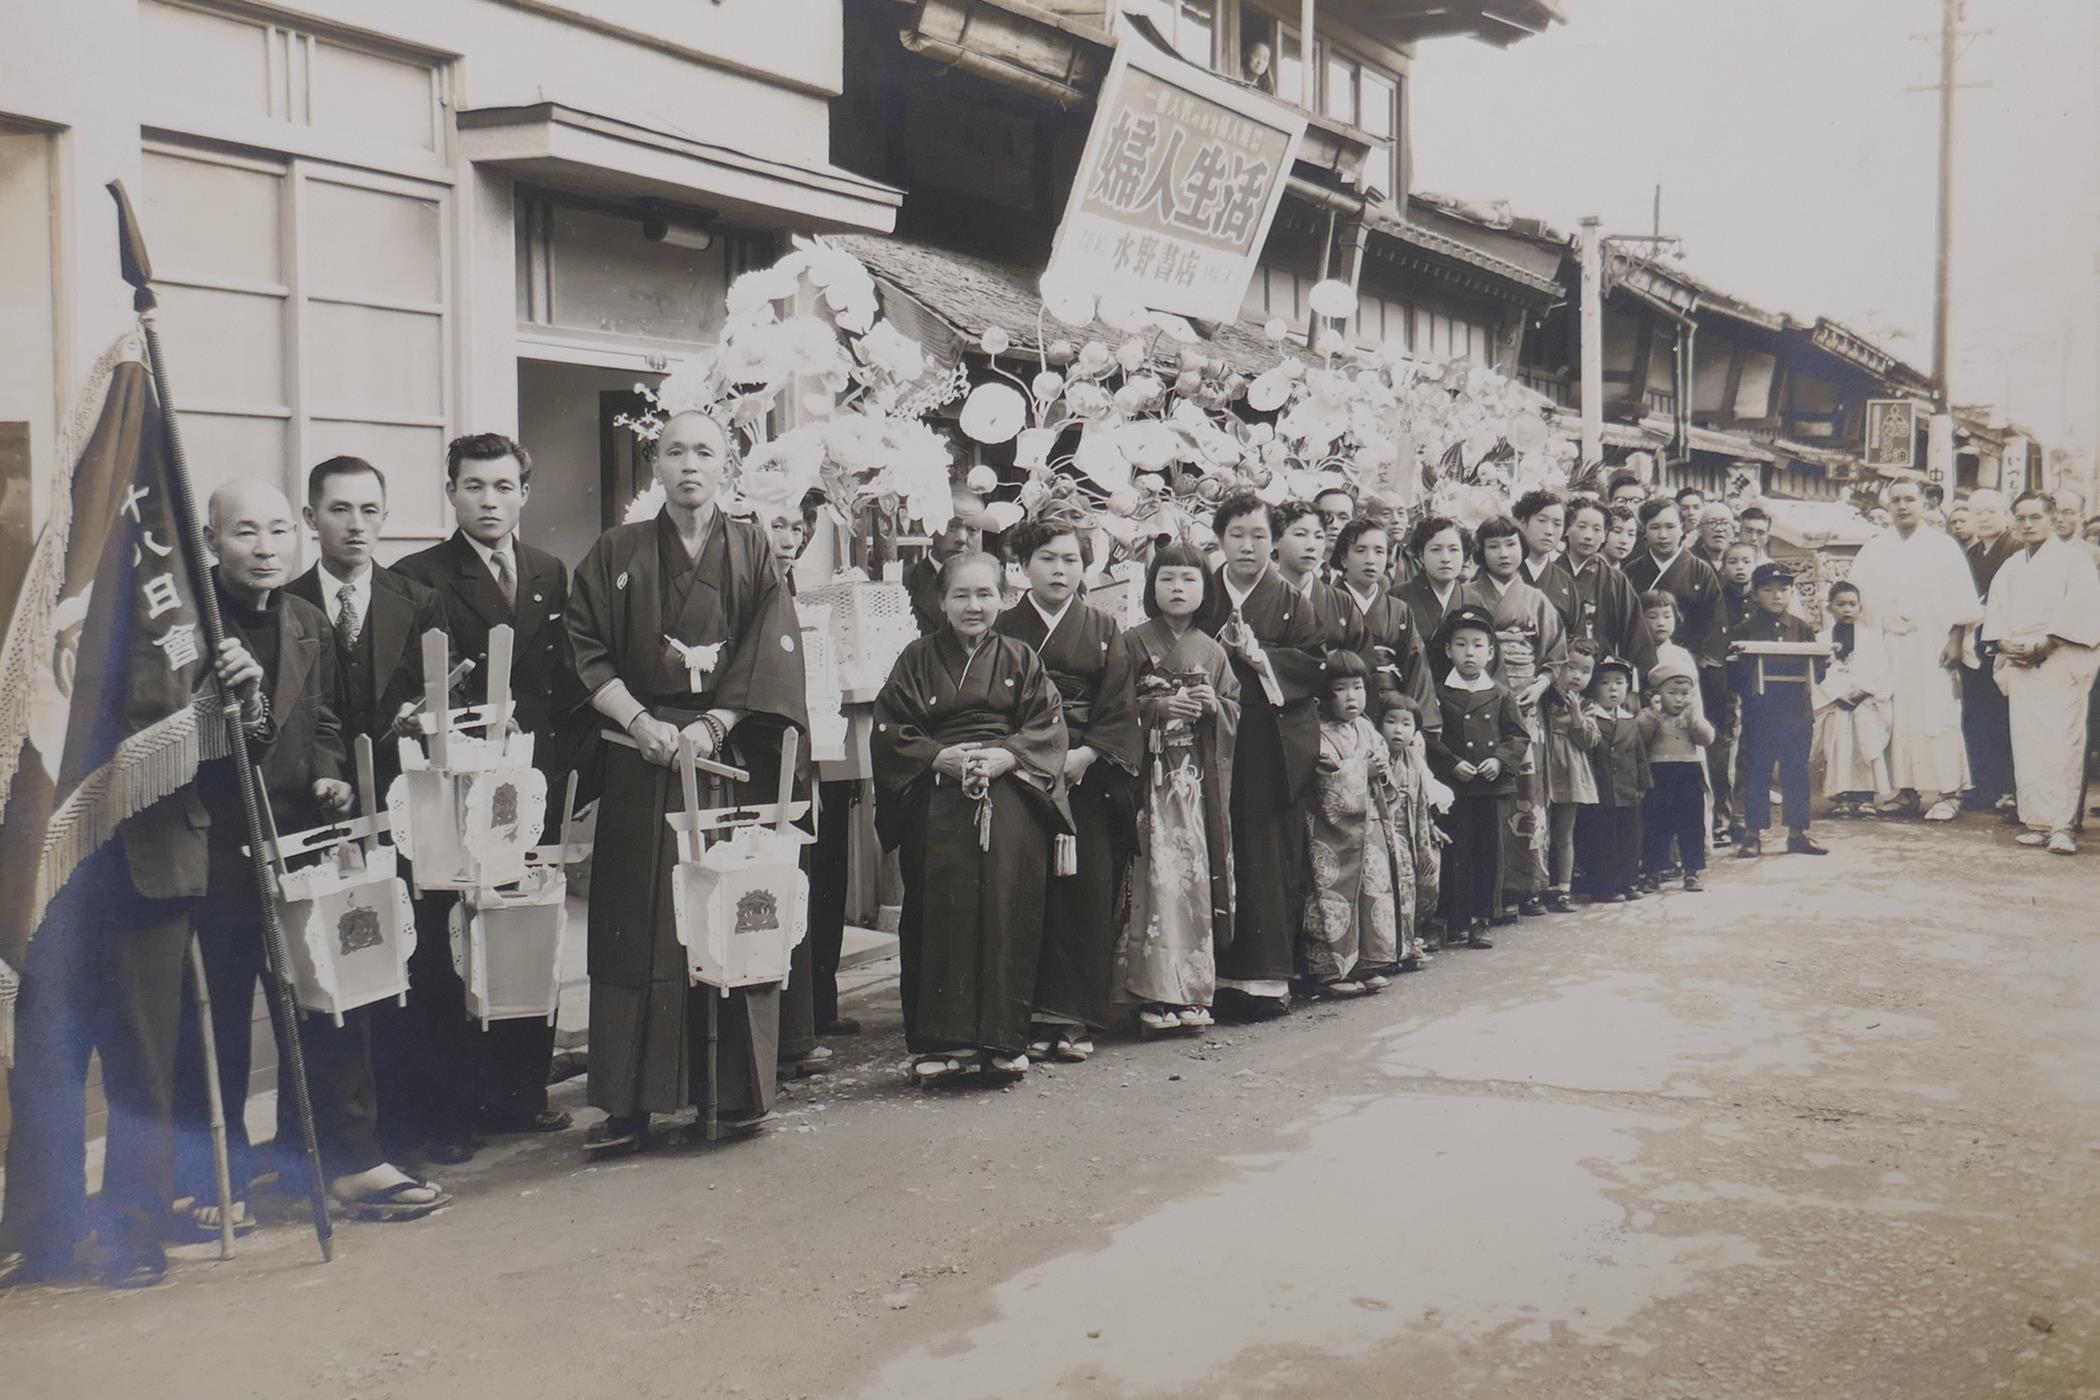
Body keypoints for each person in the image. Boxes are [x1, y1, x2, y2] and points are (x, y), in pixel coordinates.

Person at [171, 481, 447, 1231]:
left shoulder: (304, 621)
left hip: (300, 842)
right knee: (220, 1011)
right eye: (242, 534)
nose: (263, 549)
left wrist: (327, 770)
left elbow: (322, 717)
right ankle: (210, 1177)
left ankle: (348, 1163)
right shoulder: (188, 631)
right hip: (218, 851)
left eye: (274, 533)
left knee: (335, 998)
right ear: (210, 540)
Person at [565, 409, 809, 1153]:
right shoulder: (617, 550)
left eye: (705, 451)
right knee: (635, 925)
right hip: (642, 756)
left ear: (725, 464)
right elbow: (584, 646)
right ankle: (627, 1104)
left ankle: (733, 1095)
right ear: (655, 465)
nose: (690, 465)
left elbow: (768, 649)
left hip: (721, 758)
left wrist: (713, 726)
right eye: (675, 452)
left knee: (725, 914)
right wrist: (640, 722)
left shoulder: (752, 548)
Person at [395, 433, 584, 1141]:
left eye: (504, 487)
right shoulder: (416, 576)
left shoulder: (547, 571)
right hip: (455, 790)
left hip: (528, 787)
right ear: (451, 492)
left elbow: (564, 686)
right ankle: (451, 1110)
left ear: (524, 495)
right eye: (474, 486)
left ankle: (519, 1093)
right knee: (451, 943)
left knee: (524, 930)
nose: (489, 500)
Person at [285, 457, 468, 1171]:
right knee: (342, 961)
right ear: (311, 520)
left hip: (406, 805)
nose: (355, 525)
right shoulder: (291, 601)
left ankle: (433, 1120)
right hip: (319, 805)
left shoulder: (416, 600)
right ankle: (344, 1136)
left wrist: (422, 721)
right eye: (338, 510)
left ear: (384, 518)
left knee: (421, 956)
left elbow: (443, 698)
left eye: (368, 510)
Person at [874, 550, 1071, 1082]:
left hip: (1009, 789)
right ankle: (940, 1042)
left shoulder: (1020, 657)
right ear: (940, 601)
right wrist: (939, 757)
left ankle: (1005, 1040)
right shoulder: (915, 658)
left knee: (1008, 907)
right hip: (937, 792)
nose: (973, 605)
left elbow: (1047, 726)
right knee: (939, 911)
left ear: (1004, 599)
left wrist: (1008, 756)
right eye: (960, 594)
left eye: (985, 594)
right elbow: (892, 729)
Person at [995, 519, 1140, 1063]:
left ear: (1086, 568)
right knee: (1027, 891)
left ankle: (1074, 1018)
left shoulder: (1104, 628)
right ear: (1024, 566)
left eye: (1072, 560)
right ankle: (1026, 1014)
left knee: (1085, 892)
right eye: (1048, 559)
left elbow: (1119, 706)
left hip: (1085, 776)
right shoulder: (1004, 626)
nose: (1060, 570)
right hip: (1021, 774)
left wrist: (1085, 754)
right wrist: (1032, 757)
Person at [1195, 493, 1329, 1018]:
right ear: (1220, 539)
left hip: (1270, 740)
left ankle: (1266, 980)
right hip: (1210, 733)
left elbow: (1314, 665)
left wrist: (1260, 658)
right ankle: (1212, 974)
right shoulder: (1202, 593)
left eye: (1257, 536)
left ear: (1274, 542)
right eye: (1236, 535)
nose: (1247, 546)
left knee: (1266, 853)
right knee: (1211, 843)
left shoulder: (1292, 601)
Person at [1116, 542, 1239, 1031]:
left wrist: (1214, 706)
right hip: (1147, 777)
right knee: (1148, 876)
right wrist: (1156, 708)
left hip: (1193, 783)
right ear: (1152, 587)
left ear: (1205, 589)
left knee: (1188, 879)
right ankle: (1148, 991)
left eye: (1189, 580)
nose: (1177, 588)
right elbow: (1115, 708)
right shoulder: (1130, 642)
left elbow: (1234, 708)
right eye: (1167, 579)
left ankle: (1189, 992)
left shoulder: (1213, 649)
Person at [1845, 479, 1980, 821]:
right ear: (1887, 505)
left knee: (1936, 714)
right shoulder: (1874, 548)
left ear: (1923, 504)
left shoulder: (1943, 547)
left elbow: (1962, 599)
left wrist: (1954, 639)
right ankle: (1904, 790)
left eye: (1909, 499)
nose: (1902, 506)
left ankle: (1949, 793)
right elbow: (1856, 601)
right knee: (1894, 716)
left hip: (1931, 644)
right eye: (1896, 500)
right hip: (1888, 644)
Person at [1982, 491, 2100, 854]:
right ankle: (2037, 820)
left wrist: (2047, 643)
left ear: (2052, 519)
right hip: (2020, 659)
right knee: (2027, 741)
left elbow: (2082, 609)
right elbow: (1996, 610)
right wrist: (2004, 644)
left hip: (2060, 658)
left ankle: (2062, 825)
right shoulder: (2013, 564)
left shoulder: (2075, 562)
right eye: (2021, 518)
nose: (2028, 524)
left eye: (2036, 517)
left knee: (2062, 743)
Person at [1464, 515, 1564, 918]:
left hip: (1527, 705)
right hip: (1483, 702)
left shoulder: (1537, 600)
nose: (1503, 554)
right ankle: (1497, 887)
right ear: (1481, 552)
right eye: (1493, 546)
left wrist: (1540, 686)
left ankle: (1531, 884)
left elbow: (1556, 655)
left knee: (1531, 792)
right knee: (1495, 791)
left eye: (1510, 545)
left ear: (1521, 550)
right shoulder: (1468, 594)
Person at [1300, 651, 1408, 996]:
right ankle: (1332, 970)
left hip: (1371, 824)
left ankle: (1370, 961)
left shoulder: (1367, 728)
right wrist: (1364, 771)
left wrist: (1381, 769)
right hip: (1333, 833)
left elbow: (1388, 780)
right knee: (1332, 897)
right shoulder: (1317, 732)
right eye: (1341, 688)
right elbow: (1323, 782)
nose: (1351, 696)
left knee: (1371, 892)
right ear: (1324, 694)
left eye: (1358, 687)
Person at [1625, 498, 1732, 843]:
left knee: (1698, 749)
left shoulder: (1699, 570)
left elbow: (1715, 623)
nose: (1663, 534)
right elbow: (1627, 622)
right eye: (1654, 527)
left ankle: (1708, 827)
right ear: (1644, 531)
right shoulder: (1632, 571)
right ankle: (1652, 842)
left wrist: (1695, 664)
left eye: (1670, 526)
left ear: (1683, 528)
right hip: (1644, 666)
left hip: (1688, 671)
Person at [1424, 606, 1528, 947]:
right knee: (1457, 852)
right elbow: (1429, 737)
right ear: (1448, 650)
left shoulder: (1500, 693)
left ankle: (1482, 917)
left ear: (1491, 651)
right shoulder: (1439, 693)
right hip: (1455, 787)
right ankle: (1453, 921)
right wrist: (1451, 763)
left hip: (1489, 787)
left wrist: (1499, 761)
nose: (1470, 652)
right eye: (1461, 644)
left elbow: (1517, 736)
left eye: (1478, 645)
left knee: (1488, 852)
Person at [1728, 563, 1827, 859]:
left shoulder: (1803, 628)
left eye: (1783, 589)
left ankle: (1797, 833)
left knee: (1796, 771)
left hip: (1796, 712)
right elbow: (1735, 675)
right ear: (1756, 593)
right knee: (1757, 770)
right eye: (1768, 589)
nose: (1776, 596)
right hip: (1761, 713)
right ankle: (1752, 833)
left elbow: (1818, 671)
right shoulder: (1744, 630)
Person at [1331, 517, 1435, 717]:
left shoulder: (1400, 610)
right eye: (1360, 550)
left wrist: (1416, 722)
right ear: (1343, 558)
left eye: (1379, 551)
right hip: (1338, 709)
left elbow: (1416, 670)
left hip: (1391, 715)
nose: (1371, 559)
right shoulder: (1326, 603)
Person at [1957, 489, 2020, 814]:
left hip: (2004, 641)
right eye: (1977, 512)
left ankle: (2009, 787)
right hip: (1974, 644)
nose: (1983, 517)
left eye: (1991, 511)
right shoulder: (1970, 552)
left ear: (2006, 515)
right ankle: (1983, 784)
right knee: (1975, 715)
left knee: (2004, 717)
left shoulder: (2016, 548)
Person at [1814, 581, 1895, 817]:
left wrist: (1864, 690)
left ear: (1860, 608)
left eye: (1852, 604)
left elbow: (1882, 671)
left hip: (1865, 702)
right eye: (1840, 604)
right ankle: (1842, 797)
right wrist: (1837, 694)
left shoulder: (1872, 640)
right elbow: (1817, 674)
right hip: (1836, 704)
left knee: (1864, 747)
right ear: (1829, 607)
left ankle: (1865, 797)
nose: (1847, 610)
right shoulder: (1821, 640)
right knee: (1839, 748)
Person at [1638, 655, 1715, 892]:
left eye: (1685, 693)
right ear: (1657, 693)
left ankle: (1692, 871)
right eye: (1673, 692)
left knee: (1691, 823)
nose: (1680, 699)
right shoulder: (1649, 714)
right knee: (1655, 823)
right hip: (1658, 772)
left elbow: (1707, 738)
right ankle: (1652, 870)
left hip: (1688, 771)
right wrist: (1653, 715)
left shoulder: (1691, 716)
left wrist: (1694, 721)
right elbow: (1640, 736)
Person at [1379, 696, 1443, 968]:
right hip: (1382, 835)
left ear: (1415, 730)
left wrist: (1430, 828)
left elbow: (1421, 801)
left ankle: (1408, 945)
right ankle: (1386, 951)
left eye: (1406, 723)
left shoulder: (1414, 759)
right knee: (1387, 892)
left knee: (1412, 890)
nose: (1397, 729)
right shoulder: (1377, 756)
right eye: (1390, 721)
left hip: (1409, 836)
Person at [1579, 656, 1648, 904]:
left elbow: (1640, 755)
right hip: (1601, 789)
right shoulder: (1591, 719)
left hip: (1627, 790)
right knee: (1604, 840)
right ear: (1594, 687)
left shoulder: (1630, 720)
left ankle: (1629, 881)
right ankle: (1605, 887)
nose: (1613, 688)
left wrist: (1642, 784)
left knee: (1630, 839)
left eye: (1619, 683)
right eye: (1605, 682)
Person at [1538, 641, 1601, 912]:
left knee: (1564, 833)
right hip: (1544, 766)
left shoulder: (1587, 705)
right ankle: (1538, 888)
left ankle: (1564, 889)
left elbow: (1590, 741)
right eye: (1571, 668)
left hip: (1570, 772)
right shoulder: (1544, 698)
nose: (1577, 676)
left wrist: (1576, 715)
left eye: (1585, 671)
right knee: (1539, 830)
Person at [1563, 498, 1657, 677]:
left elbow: (1635, 634)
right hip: (1554, 672)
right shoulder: (1552, 574)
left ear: (1605, 534)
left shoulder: (1615, 580)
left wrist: (1633, 684)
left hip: (1601, 675)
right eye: (1581, 526)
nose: (1589, 536)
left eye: (1597, 529)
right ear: (1566, 528)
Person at [1276, 498, 1362, 650]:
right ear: (1276, 540)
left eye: (1319, 536)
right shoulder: (1257, 595)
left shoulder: (1343, 602)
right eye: (1300, 534)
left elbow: (1359, 660)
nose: (1311, 546)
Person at [1398, 515, 1470, 678]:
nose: (1445, 558)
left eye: (1453, 549)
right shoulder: (1398, 597)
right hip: (1412, 692)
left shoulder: (1474, 599)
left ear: (1464, 555)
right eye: (1436, 549)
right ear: (1421, 556)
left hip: (1463, 694)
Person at [904, 500, 983, 636]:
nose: (962, 538)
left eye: (972, 529)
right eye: (951, 526)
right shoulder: (903, 583)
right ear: (931, 527)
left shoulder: (990, 585)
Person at [1514, 489, 1578, 631]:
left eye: (1557, 524)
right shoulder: (1502, 570)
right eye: (1542, 521)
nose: (1549, 531)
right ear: (1523, 522)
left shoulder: (1565, 581)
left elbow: (1575, 635)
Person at [1689, 503, 1735, 572]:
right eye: (1711, 522)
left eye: (1725, 523)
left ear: (1732, 529)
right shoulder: (1687, 559)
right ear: (1700, 528)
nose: (1718, 529)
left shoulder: (1740, 559)